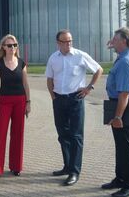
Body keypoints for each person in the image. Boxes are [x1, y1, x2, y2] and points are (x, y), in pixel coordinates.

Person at [45, 29, 103, 186]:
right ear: (58, 43)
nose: (68, 44)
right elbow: (49, 79)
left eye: (70, 41)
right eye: (64, 41)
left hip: (75, 99)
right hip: (59, 100)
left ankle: (74, 171)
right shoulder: (53, 58)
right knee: (63, 134)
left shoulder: (80, 55)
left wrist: (89, 87)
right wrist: (53, 97)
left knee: (76, 136)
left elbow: (98, 69)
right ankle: (67, 166)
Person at [102, 27, 129, 197]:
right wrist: (114, 46)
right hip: (123, 105)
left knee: (127, 147)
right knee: (121, 146)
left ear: (124, 41)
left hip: (124, 106)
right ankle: (120, 178)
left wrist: (118, 116)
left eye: (115, 39)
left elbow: (124, 93)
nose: (112, 42)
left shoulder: (126, 61)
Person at [0, 34, 31, 182]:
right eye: (9, 45)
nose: (13, 48)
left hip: (20, 101)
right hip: (4, 102)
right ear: (3, 47)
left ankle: (16, 166)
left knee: (18, 134)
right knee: (0, 135)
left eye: (15, 45)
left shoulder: (22, 63)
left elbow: (26, 84)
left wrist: (28, 103)